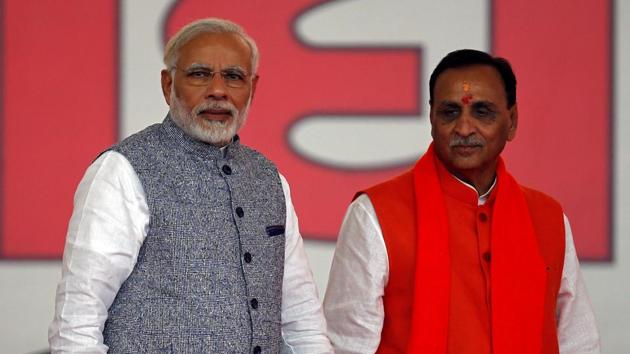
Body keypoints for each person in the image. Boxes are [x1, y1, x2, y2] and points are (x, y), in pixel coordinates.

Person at [49, 18, 331, 353]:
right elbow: (77, 322)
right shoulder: (123, 171)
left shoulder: (269, 180)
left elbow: (302, 324)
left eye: (234, 77)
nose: (218, 90)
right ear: (168, 85)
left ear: (252, 87)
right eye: (199, 74)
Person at [324, 49, 600, 353]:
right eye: (450, 112)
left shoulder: (548, 219)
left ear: (512, 120)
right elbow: (347, 346)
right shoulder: (375, 214)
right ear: (431, 119)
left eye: (483, 112)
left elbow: (578, 341)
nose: (465, 128)